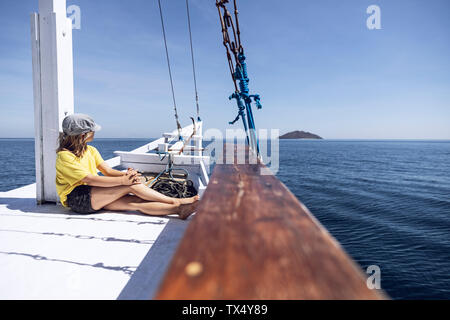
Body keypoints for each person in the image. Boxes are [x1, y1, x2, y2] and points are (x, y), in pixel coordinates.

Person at [55, 113, 199, 219]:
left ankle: (179, 210)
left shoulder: (90, 150)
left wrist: (126, 175)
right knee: (130, 186)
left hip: (93, 193)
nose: (94, 133)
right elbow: (90, 179)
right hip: (77, 198)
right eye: (92, 131)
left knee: (135, 202)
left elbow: (107, 171)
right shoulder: (64, 156)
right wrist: (124, 181)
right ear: (83, 135)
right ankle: (177, 201)